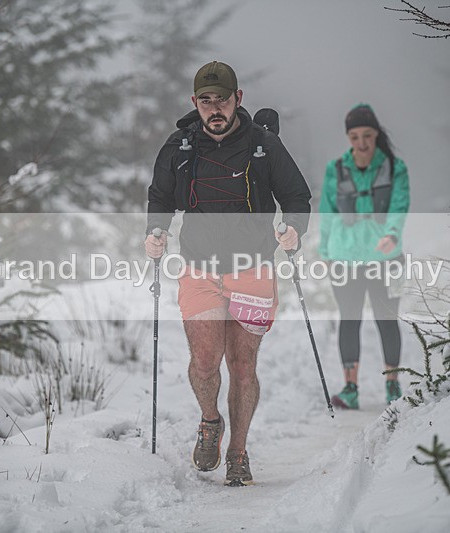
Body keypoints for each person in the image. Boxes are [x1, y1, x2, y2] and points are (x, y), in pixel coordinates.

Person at [144, 61, 311, 486]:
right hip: (199, 269)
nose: (214, 108)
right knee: (203, 362)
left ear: (239, 99)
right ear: (194, 103)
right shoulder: (180, 145)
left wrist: (293, 229)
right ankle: (209, 421)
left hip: (253, 268)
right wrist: (155, 232)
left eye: (222, 99)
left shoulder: (263, 145)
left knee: (241, 365)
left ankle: (238, 453)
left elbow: (296, 195)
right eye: (206, 100)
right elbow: (160, 196)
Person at [318, 104, 410, 409]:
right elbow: (328, 212)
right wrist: (325, 252)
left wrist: (392, 234)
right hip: (345, 258)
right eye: (355, 136)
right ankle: (350, 388)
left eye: (367, 135)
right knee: (350, 320)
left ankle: (393, 385)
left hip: (387, 257)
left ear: (376, 134)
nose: (361, 143)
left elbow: (399, 207)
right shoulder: (336, 169)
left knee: (387, 320)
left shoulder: (395, 168)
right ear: (348, 137)